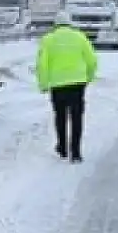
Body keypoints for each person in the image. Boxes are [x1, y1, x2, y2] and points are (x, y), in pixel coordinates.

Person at [37, 10, 99, 162]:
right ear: (70, 23)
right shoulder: (80, 37)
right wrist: (88, 78)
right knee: (76, 117)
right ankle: (76, 152)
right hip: (78, 84)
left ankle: (63, 148)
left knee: (60, 116)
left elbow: (42, 64)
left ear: (55, 24)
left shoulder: (48, 40)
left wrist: (44, 84)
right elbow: (92, 60)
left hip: (57, 85)